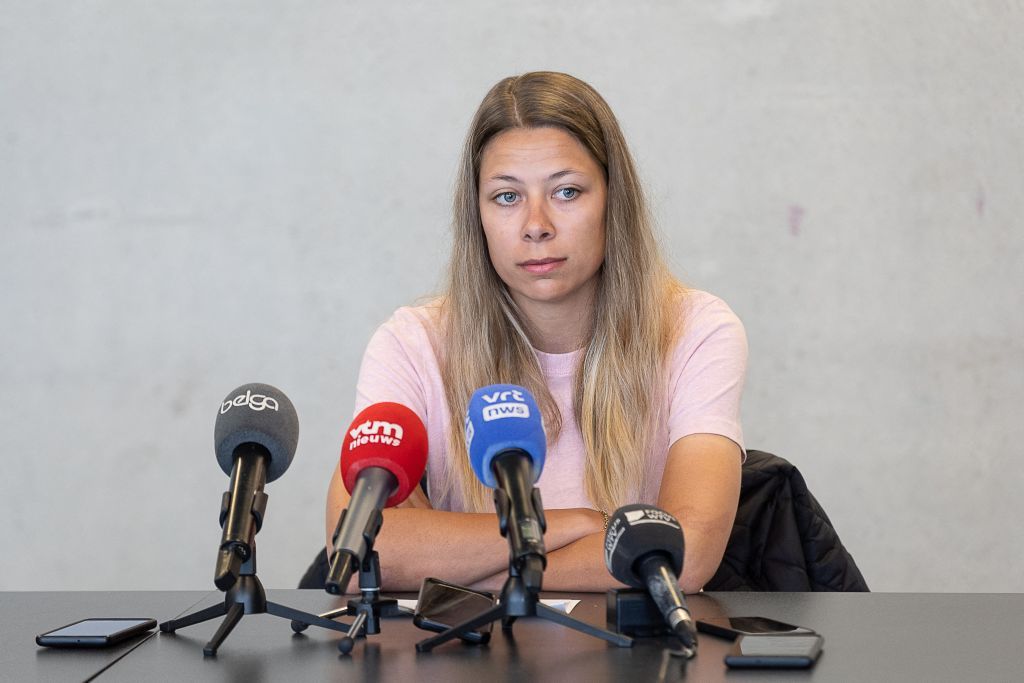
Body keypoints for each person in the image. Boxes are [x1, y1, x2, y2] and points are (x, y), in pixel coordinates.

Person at [324, 71, 746, 594]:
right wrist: (573, 525)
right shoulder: (412, 345)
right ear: (476, 213)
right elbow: (360, 548)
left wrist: (460, 571)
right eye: (506, 197)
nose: (536, 224)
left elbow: (688, 551)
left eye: (566, 191)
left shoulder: (696, 331)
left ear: (615, 202)